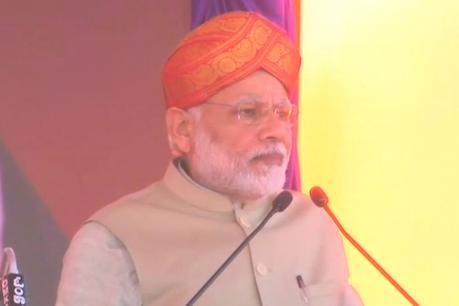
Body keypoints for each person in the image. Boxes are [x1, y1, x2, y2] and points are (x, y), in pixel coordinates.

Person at [55, 11, 363, 306]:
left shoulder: (313, 223)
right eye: (248, 112)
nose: (275, 132)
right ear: (182, 130)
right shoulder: (114, 241)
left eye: (282, 113)